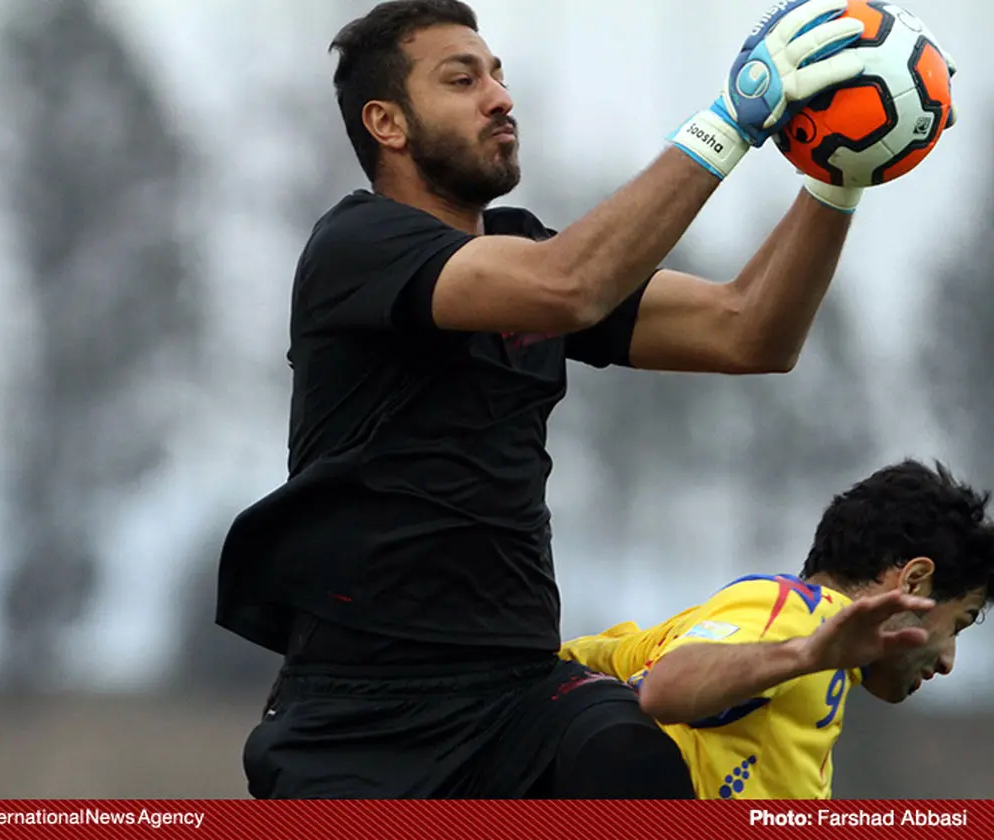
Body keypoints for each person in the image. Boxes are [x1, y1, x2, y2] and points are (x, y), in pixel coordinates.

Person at [215, 0, 950, 798]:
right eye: (462, 79)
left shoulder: (523, 250)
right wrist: (731, 120)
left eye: (498, 74)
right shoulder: (359, 247)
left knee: (628, 758)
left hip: (514, 693)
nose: (499, 96)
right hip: (360, 715)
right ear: (387, 123)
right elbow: (570, 286)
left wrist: (838, 174)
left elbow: (750, 332)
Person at [561, 459, 994, 800]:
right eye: (959, 622)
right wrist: (804, 654)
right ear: (914, 581)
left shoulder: (717, 628)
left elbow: (578, 658)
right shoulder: (802, 612)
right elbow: (664, 689)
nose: (948, 660)